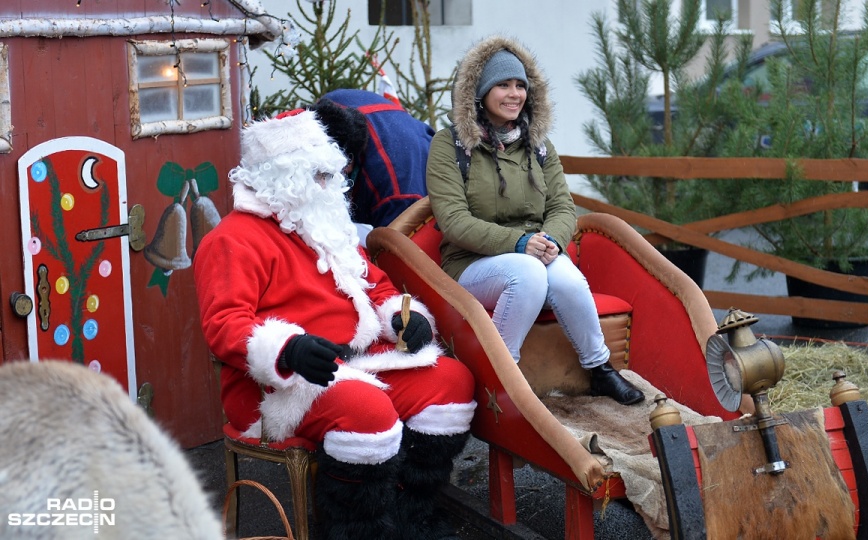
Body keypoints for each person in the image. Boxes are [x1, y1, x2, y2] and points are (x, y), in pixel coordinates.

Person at [193, 108, 476, 540]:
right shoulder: (231, 240)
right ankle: (355, 530)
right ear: (284, 178)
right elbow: (225, 326)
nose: (331, 185)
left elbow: (376, 286)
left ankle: (410, 515)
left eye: (332, 175)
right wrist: (287, 350)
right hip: (282, 386)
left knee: (451, 381)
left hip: (360, 361)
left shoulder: (325, 223)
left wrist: (406, 317)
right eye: (320, 176)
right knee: (366, 412)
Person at [425, 35, 644, 406]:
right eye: (502, 85)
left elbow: (563, 207)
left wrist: (553, 242)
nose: (514, 94)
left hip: (536, 252)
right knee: (527, 274)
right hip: (473, 263)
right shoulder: (450, 146)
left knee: (570, 280)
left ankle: (600, 369)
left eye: (520, 85)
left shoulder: (539, 146)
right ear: (479, 92)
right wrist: (520, 244)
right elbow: (453, 221)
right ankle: (501, 376)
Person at [309, 89, 434, 244]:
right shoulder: (330, 111)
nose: (319, 184)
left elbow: (400, 255)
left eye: (325, 176)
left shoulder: (396, 195)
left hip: (422, 188)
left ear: (347, 162)